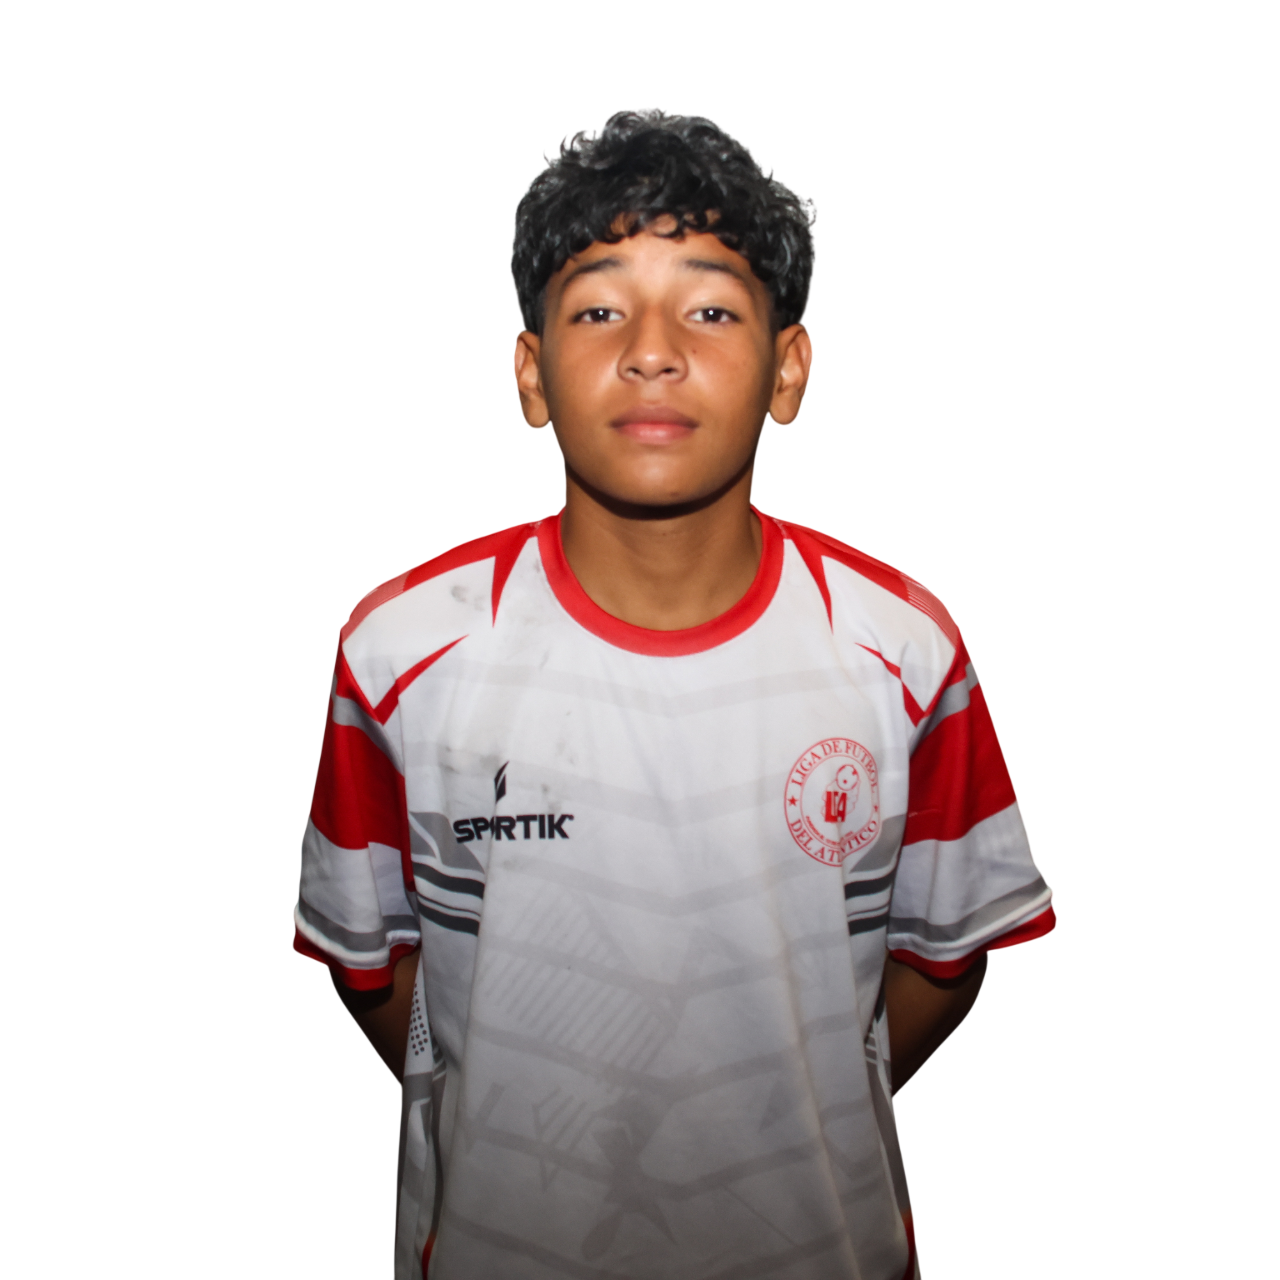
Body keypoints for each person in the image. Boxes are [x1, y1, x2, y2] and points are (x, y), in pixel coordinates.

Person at [294, 110, 1054, 1280]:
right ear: (530, 372)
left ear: (788, 368)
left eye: (708, 309)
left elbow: (942, 958)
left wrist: (770, 1111)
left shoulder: (903, 652)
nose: (651, 352)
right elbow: (374, 968)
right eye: (598, 310)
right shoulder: (402, 652)